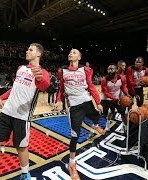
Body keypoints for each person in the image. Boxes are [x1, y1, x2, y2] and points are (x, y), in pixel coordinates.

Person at [0, 43, 50, 180]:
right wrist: (2, 97)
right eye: (27, 48)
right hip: (6, 113)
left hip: (22, 117)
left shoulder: (43, 72)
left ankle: (25, 173)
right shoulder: (21, 68)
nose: (27, 51)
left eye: (30, 49)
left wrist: (39, 78)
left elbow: (44, 86)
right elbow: (15, 88)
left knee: (21, 148)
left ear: (38, 54)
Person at [54, 49, 104, 180]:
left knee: (96, 115)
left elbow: (91, 86)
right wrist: (58, 100)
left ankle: (95, 125)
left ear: (79, 57)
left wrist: (98, 102)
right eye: (70, 52)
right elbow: (61, 88)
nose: (71, 53)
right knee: (75, 135)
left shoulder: (86, 70)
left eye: (74, 52)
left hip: (86, 100)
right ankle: (71, 164)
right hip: (74, 106)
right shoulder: (62, 71)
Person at [101, 64, 129, 130]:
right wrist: (114, 98)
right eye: (108, 69)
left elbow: (123, 87)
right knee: (107, 112)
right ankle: (107, 123)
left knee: (123, 113)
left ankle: (125, 126)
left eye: (111, 69)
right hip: (107, 98)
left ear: (116, 70)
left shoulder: (121, 77)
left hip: (117, 98)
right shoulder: (104, 79)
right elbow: (105, 92)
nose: (109, 71)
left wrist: (127, 94)